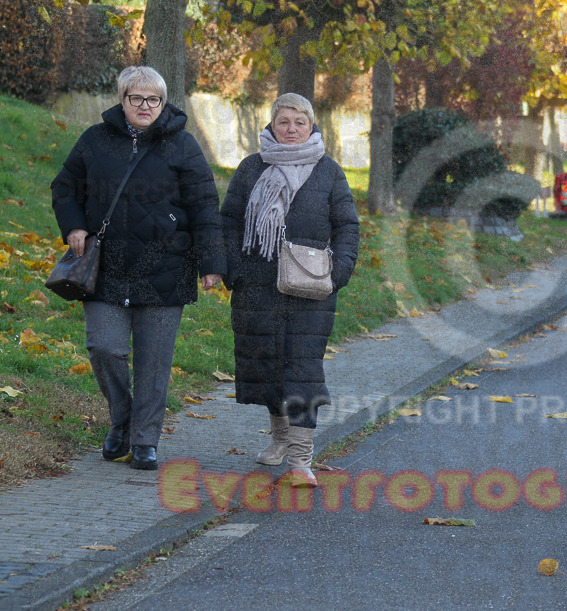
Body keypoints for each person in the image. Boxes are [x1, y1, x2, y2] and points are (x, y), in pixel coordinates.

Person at [50, 66, 225, 471]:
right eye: (136, 98)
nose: (145, 106)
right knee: (104, 347)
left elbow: (204, 207)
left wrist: (212, 263)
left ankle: (145, 441)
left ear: (163, 103)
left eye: (154, 100)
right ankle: (122, 419)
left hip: (167, 269)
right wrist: (74, 224)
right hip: (105, 269)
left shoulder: (183, 145)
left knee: (154, 362)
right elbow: (65, 186)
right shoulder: (94, 141)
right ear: (122, 99)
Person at [220, 93, 359, 486]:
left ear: (311, 126)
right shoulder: (251, 168)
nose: (292, 129)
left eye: (300, 122)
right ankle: (280, 439)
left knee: (303, 369)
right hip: (257, 285)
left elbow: (348, 225)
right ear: (272, 126)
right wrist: (233, 271)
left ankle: (301, 460)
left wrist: (340, 271)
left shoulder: (328, 171)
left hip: (311, 289)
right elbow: (228, 222)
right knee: (266, 365)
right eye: (284, 121)